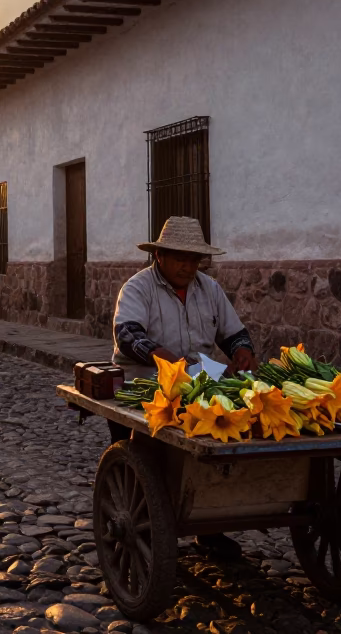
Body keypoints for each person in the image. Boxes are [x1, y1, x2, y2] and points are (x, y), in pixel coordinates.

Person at [110, 215, 256, 561]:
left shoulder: (210, 289)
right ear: (159, 256)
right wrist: (167, 361)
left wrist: (242, 351)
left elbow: (234, 332)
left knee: (219, 442)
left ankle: (209, 525)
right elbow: (128, 334)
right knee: (153, 460)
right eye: (180, 257)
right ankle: (147, 525)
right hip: (145, 381)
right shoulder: (137, 287)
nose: (188, 266)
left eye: (194, 259)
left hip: (202, 378)